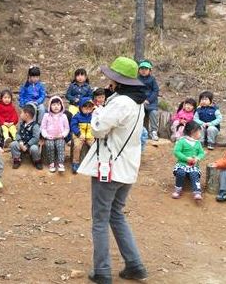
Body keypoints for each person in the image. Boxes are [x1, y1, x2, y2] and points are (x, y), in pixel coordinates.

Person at [77, 56, 148, 283]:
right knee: (116, 215)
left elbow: (98, 129)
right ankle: (135, 266)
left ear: (119, 81)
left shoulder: (120, 103)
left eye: (112, 79)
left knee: (100, 220)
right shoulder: (136, 103)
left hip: (109, 167)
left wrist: (98, 109)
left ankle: (102, 272)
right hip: (126, 168)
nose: (109, 82)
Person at [172, 121, 206, 201]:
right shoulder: (182, 141)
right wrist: (186, 158)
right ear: (192, 132)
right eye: (199, 132)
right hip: (182, 164)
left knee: (195, 174)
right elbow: (176, 152)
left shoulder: (198, 143)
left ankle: (197, 192)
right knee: (180, 173)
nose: (200, 134)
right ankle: (178, 190)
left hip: (193, 166)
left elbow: (201, 153)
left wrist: (197, 158)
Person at [41, 96, 70, 173]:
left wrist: (63, 135)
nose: (56, 107)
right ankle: (52, 163)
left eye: (58, 104)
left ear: (61, 106)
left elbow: (67, 128)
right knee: (50, 146)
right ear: (50, 106)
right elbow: (43, 128)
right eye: (53, 105)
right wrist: (46, 135)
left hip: (60, 137)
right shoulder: (46, 116)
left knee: (60, 145)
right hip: (49, 137)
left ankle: (60, 164)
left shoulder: (64, 116)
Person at [11, 104, 42, 170]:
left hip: (31, 145)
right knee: (13, 144)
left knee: (34, 149)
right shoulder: (21, 124)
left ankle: (37, 161)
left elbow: (36, 138)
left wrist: (27, 145)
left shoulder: (35, 126)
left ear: (26, 115)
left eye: (21, 113)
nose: (20, 114)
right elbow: (17, 133)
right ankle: (17, 160)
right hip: (22, 143)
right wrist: (20, 141)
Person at [70, 100, 95, 172]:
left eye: (90, 107)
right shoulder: (77, 116)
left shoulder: (93, 116)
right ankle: (75, 162)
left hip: (90, 135)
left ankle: (93, 162)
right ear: (81, 107)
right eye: (85, 107)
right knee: (77, 146)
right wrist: (78, 133)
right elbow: (73, 125)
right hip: (79, 135)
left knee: (94, 146)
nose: (87, 108)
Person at [137, 60, 159, 141]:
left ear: (150, 70)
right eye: (141, 69)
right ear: (139, 70)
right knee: (138, 114)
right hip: (140, 101)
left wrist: (149, 100)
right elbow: (136, 91)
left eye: (146, 69)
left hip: (151, 101)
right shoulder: (137, 79)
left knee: (153, 113)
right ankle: (139, 131)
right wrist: (140, 99)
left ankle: (153, 131)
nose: (143, 71)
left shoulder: (152, 79)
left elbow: (155, 91)